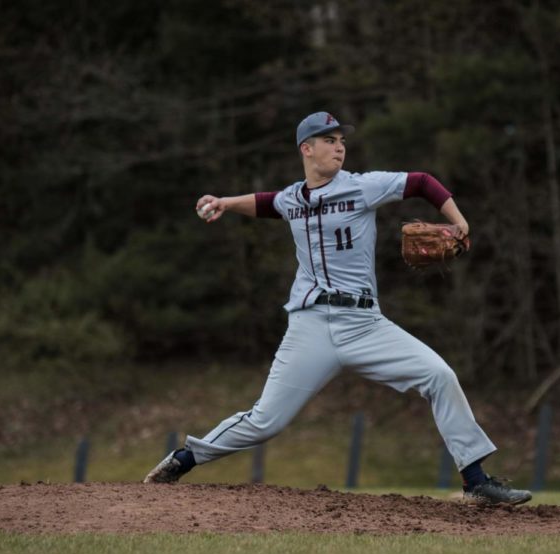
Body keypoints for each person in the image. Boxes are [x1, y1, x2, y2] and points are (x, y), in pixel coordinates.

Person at [143, 111, 532, 504]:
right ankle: (184, 458)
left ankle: (476, 482)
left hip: (365, 324)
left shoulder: (363, 187)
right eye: (329, 140)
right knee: (265, 421)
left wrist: (459, 221)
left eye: (341, 140)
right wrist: (225, 202)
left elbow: (421, 182)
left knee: (440, 376)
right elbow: (267, 204)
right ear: (306, 149)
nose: (340, 146)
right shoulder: (293, 197)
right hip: (310, 326)